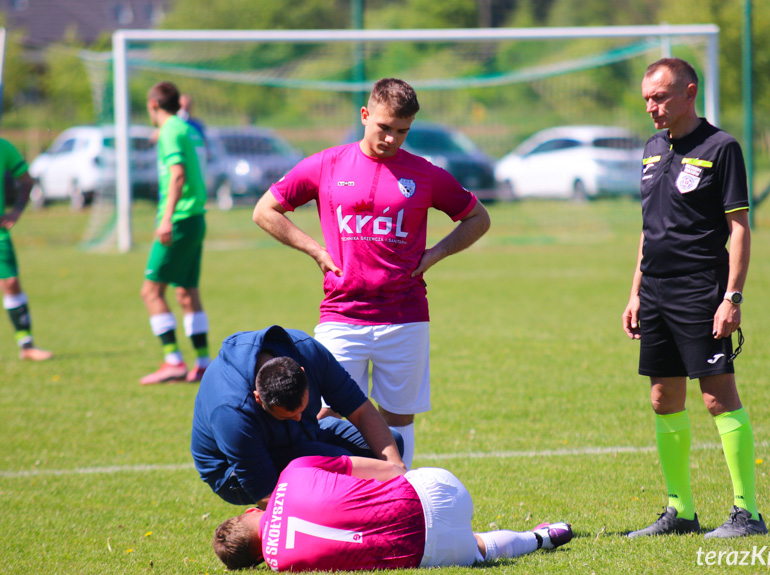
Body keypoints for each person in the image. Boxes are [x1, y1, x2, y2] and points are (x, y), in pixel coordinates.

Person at [253, 78, 491, 469]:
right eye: (384, 128)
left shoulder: (424, 174)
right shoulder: (326, 164)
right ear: (365, 116)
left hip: (405, 317)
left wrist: (435, 254)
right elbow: (265, 211)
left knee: (398, 417)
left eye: (402, 131)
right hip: (341, 316)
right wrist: (315, 249)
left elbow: (478, 217)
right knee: (324, 412)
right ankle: (328, 495)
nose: (392, 139)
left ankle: (400, 496)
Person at [622, 58, 765, 539]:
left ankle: (747, 513)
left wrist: (733, 297)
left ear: (689, 92)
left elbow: (739, 228)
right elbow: (649, 230)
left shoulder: (721, 148)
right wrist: (636, 292)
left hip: (701, 287)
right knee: (663, 399)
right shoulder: (651, 149)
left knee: (716, 398)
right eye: (646, 99)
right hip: (656, 291)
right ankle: (680, 511)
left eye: (660, 97)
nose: (652, 108)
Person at [212, 455, 573, 571]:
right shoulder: (292, 472)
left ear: (258, 559)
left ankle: (541, 538)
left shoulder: (285, 565)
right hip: (436, 489)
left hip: (432, 550)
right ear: (247, 511)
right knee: (402, 484)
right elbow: (388, 471)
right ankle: (541, 533)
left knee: (478, 550)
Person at [191, 325, 406, 508]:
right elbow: (267, 495)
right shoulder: (231, 411)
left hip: (300, 438)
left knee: (391, 445)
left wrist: (399, 472)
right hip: (232, 473)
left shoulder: (307, 351)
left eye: (302, 410)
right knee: (337, 464)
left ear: (303, 373)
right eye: (287, 416)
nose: (298, 418)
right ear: (258, 399)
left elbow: (360, 410)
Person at [140, 81, 210, 384]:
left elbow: (177, 174)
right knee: (186, 291)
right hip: (196, 217)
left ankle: (173, 361)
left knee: (151, 291)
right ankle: (204, 363)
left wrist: (166, 218)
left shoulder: (170, 131)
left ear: (153, 104)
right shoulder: (187, 129)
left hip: (179, 219)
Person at [0, 141, 52, 361]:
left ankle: (27, 345)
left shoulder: (4, 148)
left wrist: (16, 211)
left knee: (11, 283)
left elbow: (27, 180)